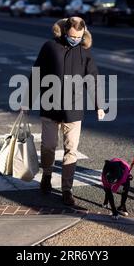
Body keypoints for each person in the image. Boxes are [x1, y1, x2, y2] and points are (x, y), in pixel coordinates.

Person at [27, 16, 105, 206]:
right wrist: (28, 100)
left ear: (83, 34)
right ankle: (47, 174)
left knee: (71, 150)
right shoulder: (49, 47)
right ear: (65, 32)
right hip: (50, 105)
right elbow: (36, 73)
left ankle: (66, 190)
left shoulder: (84, 52)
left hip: (74, 109)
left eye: (78, 37)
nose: (75, 40)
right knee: (48, 146)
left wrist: (99, 104)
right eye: (71, 36)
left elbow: (92, 79)